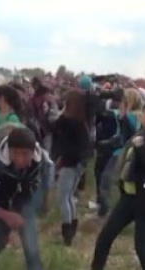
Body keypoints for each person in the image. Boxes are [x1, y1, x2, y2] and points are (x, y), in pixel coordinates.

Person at [91, 101, 145, 270]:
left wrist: (140, 147)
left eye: (144, 112)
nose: (142, 115)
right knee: (105, 236)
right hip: (129, 197)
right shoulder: (142, 134)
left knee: (142, 246)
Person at [0, 127, 50, 270]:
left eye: (25, 154)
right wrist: (6, 215)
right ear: (8, 150)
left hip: (24, 200)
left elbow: (47, 177)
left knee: (32, 248)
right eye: (15, 153)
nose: (20, 159)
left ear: (33, 152)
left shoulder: (42, 159)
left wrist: (41, 200)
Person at [52, 89, 90, 246]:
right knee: (69, 196)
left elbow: (53, 125)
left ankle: (67, 231)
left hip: (69, 163)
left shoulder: (67, 122)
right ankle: (72, 227)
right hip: (79, 164)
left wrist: (60, 160)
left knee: (63, 197)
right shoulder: (82, 122)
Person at [98, 88, 142, 217]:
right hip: (131, 154)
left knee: (107, 181)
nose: (120, 102)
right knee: (122, 183)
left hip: (121, 154)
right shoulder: (139, 115)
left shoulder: (129, 117)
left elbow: (125, 136)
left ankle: (107, 211)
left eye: (122, 100)